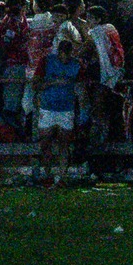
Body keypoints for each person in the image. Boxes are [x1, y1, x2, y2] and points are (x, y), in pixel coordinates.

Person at [36, 29, 82, 185]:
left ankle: (62, 176)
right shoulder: (46, 62)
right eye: (63, 54)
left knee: (64, 143)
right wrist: (54, 82)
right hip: (48, 108)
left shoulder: (77, 65)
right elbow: (36, 84)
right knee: (45, 142)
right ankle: (47, 174)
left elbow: (81, 87)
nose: (65, 58)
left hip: (66, 108)